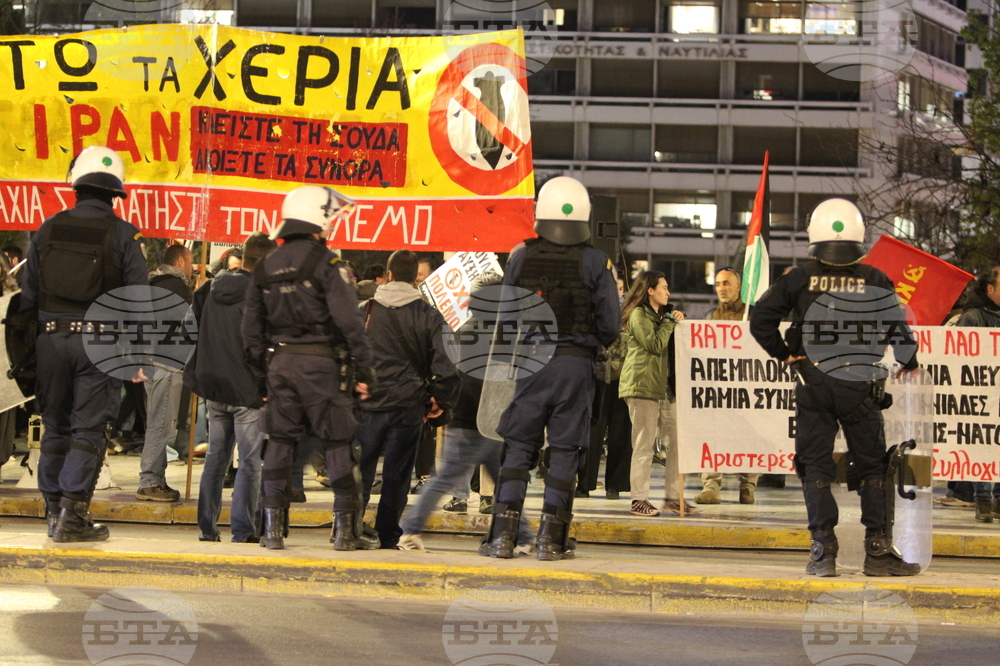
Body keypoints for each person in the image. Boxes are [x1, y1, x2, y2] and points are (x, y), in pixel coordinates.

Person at [750, 198, 921, 577]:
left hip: (813, 383)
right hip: (860, 386)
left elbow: (760, 318)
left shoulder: (797, 278)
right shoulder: (875, 278)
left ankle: (822, 552)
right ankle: (877, 552)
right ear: (858, 236)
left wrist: (784, 354)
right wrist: (909, 361)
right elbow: (899, 329)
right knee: (874, 465)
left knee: (815, 466)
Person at [481, 176, 620, 561]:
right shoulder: (597, 260)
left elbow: (505, 317)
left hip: (529, 364)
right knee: (563, 451)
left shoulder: (521, 255)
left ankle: (502, 537)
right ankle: (551, 540)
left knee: (518, 448)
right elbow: (610, 323)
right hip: (575, 368)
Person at [21, 146, 148, 542]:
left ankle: (53, 512)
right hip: (100, 343)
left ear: (76, 185)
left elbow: (27, 298)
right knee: (88, 430)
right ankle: (72, 518)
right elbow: (139, 300)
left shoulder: (47, 228)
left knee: (55, 427)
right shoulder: (125, 234)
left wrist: (29, 354)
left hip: (50, 341)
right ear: (115, 193)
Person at [243, 185, 378, 551]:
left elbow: (251, 331)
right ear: (316, 220)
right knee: (337, 443)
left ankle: (271, 529)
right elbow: (349, 322)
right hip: (322, 365)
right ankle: (345, 531)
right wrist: (365, 370)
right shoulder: (327, 263)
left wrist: (260, 375)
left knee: (279, 443)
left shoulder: (266, 265)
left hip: (280, 364)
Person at [398, 273, 534, 552]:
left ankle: (525, 536)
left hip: (472, 419)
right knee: (483, 480)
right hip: (483, 421)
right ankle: (410, 530)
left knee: (493, 480)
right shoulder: (501, 334)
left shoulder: (466, 330)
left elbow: (453, 373)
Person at [356, 250, 460, 549]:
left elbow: (346, 355)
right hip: (408, 406)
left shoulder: (364, 311)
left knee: (358, 472)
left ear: (387, 275)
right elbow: (447, 366)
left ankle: (348, 530)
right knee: (397, 476)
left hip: (367, 406)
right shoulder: (429, 314)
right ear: (416, 278)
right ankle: (388, 535)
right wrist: (441, 400)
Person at [187, 232, 275, 543]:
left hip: (213, 385)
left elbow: (191, 330)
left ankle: (207, 528)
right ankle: (243, 530)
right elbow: (261, 346)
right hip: (247, 390)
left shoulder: (210, 288)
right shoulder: (261, 296)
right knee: (250, 462)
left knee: (215, 458)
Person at [619, 272, 694, 516]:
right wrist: (671, 323)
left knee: (677, 444)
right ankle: (638, 499)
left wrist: (674, 321)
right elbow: (653, 344)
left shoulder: (663, 316)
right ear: (650, 290)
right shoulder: (638, 314)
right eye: (664, 287)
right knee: (643, 445)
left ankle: (674, 497)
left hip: (665, 388)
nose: (668, 292)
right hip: (642, 386)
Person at [135, 243, 193, 502]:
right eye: (190, 263)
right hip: (168, 362)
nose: (192, 269)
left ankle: (156, 478)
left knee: (156, 420)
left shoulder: (151, 285)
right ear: (180, 261)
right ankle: (149, 480)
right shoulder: (178, 289)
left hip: (151, 361)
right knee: (162, 425)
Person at [696, 267, 759, 505]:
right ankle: (711, 486)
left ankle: (748, 486)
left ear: (739, 287)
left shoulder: (753, 316)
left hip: (749, 388)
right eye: (719, 283)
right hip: (717, 389)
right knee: (712, 435)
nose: (722, 288)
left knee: (752, 437)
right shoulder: (710, 317)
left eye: (727, 283)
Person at [954, 267, 1000, 523]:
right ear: (989, 289)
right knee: (982, 443)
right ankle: (983, 498)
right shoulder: (972, 318)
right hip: (981, 394)